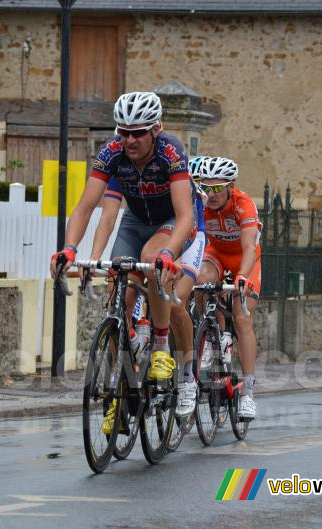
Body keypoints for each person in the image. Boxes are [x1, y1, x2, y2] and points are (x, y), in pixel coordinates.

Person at [49, 91, 195, 432]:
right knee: (118, 285)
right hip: (135, 222)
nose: (129, 139)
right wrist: (69, 248)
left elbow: (186, 214)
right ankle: (118, 384)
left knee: (150, 260)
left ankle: (160, 344)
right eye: (123, 131)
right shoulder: (111, 152)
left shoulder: (170, 151)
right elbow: (86, 207)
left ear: (155, 129)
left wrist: (168, 253)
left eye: (138, 132)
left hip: (169, 222)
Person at [89, 156, 209, 418]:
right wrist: (94, 258)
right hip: (142, 230)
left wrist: (170, 261)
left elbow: (183, 225)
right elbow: (108, 216)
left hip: (182, 231)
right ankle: (121, 372)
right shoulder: (122, 167)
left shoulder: (171, 167)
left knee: (175, 298)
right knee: (119, 288)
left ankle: (187, 375)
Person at [195, 156, 261, 420]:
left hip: (244, 259)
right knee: (201, 280)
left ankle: (248, 393)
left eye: (217, 187)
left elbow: (249, 248)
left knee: (243, 317)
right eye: (204, 186)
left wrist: (241, 278)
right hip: (216, 255)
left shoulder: (243, 205)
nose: (210, 193)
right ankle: (212, 335)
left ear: (230, 186)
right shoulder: (198, 203)